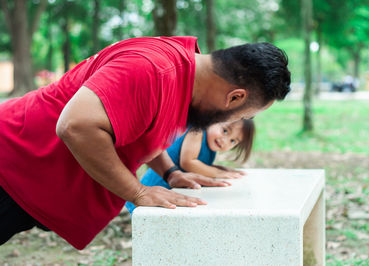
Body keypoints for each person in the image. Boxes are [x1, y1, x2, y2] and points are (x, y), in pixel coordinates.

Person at [0, 36, 291, 249]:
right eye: (246, 114)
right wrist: (138, 192)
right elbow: (76, 126)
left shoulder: (186, 78)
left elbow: (141, 126)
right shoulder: (152, 69)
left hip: (33, 180)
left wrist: (171, 173)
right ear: (235, 98)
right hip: (12, 163)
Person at [125, 119, 255, 213]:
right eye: (225, 131)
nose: (224, 140)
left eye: (233, 141)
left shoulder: (211, 147)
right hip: (158, 186)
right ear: (214, 119)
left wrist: (219, 169)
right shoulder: (197, 130)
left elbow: (198, 165)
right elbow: (188, 162)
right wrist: (217, 173)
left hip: (173, 192)